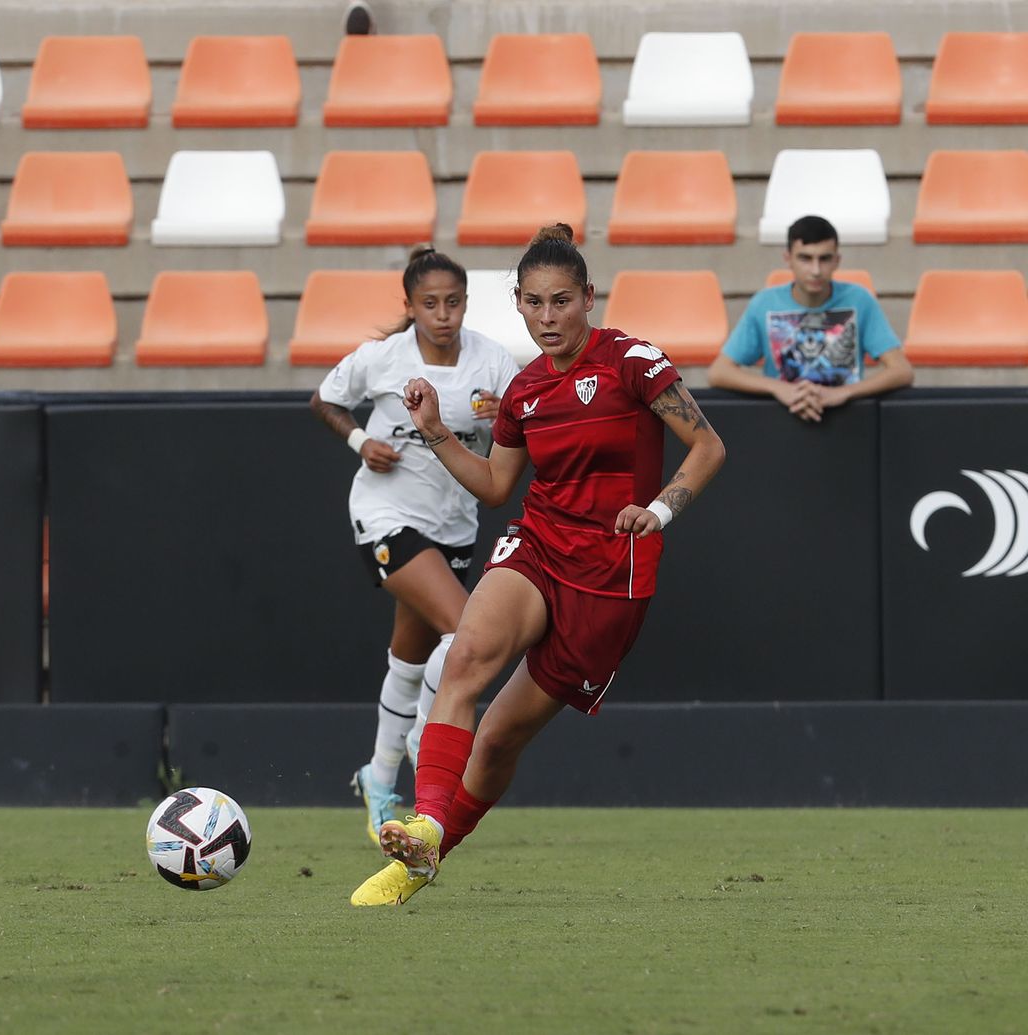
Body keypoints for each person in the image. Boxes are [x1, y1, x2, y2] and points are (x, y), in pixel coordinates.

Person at [350, 224, 726, 906]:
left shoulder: (633, 362)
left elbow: (708, 446)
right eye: (533, 303)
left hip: (612, 576)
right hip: (540, 544)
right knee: (464, 659)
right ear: (517, 304)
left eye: (561, 302)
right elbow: (497, 486)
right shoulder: (523, 391)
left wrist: (661, 510)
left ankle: (428, 856)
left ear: (589, 297)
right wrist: (435, 428)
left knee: (496, 741)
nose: (548, 318)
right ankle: (423, 825)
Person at [312, 246, 522, 846]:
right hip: (386, 515)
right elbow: (323, 399)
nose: (443, 314)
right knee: (467, 632)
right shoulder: (383, 359)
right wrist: (358, 441)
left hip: (454, 524)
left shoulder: (492, 362)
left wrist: (502, 418)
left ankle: (378, 779)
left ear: (465, 304)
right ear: (409, 307)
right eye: (429, 304)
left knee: (408, 663)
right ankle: (429, 737)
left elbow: (519, 424)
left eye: (453, 302)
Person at [707, 214, 912, 422]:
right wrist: (779, 389)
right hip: (782, 418)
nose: (815, 270)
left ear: (837, 261)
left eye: (824, 259)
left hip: (848, 419)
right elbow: (720, 372)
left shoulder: (860, 300)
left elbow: (901, 370)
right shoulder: (764, 303)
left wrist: (844, 392)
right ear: (788, 259)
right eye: (805, 258)